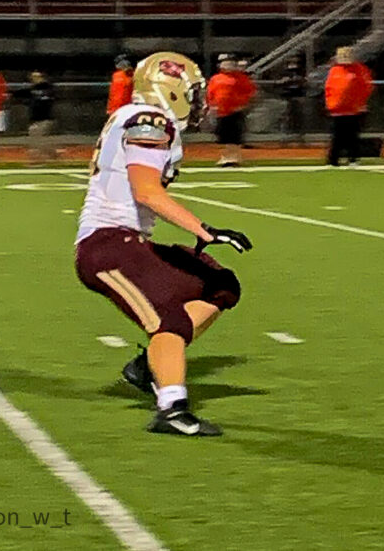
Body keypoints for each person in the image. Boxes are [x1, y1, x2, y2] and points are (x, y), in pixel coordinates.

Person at [75, 51, 252, 436]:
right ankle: (171, 407)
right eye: (191, 90)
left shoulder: (141, 117)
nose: (198, 98)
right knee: (168, 319)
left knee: (220, 284)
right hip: (108, 246)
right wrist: (206, 231)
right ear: (169, 89)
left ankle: (148, 366)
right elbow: (147, 192)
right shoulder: (150, 120)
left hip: (129, 242)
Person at [324, 47, 373, 166]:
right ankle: (333, 159)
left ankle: (353, 158)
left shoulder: (359, 70)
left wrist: (361, 103)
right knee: (337, 136)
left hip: (353, 110)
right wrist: (330, 104)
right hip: (337, 110)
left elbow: (366, 87)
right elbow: (329, 88)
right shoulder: (334, 70)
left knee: (353, 136)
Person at [207, 53, 257, 167]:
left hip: (235, 111)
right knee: (223, 136)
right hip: (221, 111)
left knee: (235, 136)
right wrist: (211, 106)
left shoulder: (241, 78)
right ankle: (225, 157)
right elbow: (210, 93)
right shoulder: (216, 78)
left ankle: (234, 157)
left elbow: (250, 92)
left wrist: (244, 105)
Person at [16, 71, 56, 164]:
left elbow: (47, 99)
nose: (34, 79)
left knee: (36, 136)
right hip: (35, 118)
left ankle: (37, 159)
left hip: (46, 118)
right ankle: (52, 153)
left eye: (36, 77)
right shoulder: (32, 89)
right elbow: (23, 94)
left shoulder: (47, 88)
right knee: (37, 137)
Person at [278, 57, 307, 144]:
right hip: (286, 97)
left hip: (298, 96)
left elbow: (304, 82)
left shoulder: (301, 71)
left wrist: (299, 80)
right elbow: (279, 83)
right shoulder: (284, 72)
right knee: (286, 117)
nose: (293, 64)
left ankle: (299, 136)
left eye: (295, 62)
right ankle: (284, 136)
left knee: (298, 117)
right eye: (291, 62)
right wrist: (285, 81)